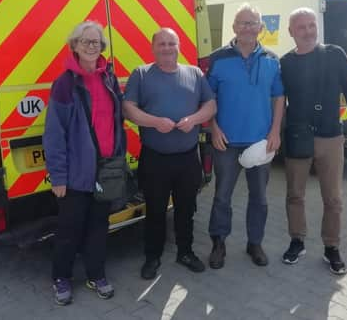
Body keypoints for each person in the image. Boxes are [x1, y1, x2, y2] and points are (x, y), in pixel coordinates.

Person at [123, 28, 217, 280]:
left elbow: (210, 105)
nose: (166, 48)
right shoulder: (141, 74)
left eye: (171, 43)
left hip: (187, 158)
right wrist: (154, 122)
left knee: (187, 208)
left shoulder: (194, 74)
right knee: (154, 210)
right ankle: (152, 257)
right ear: (153, 47)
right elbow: (128, 108)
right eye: (161, 44)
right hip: (155, 158)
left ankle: (185, 252)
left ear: (178, 46)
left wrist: (194, 118)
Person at [43, 21, 125, 305]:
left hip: (105, 170)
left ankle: (96, 274)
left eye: (96, 42)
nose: (92, 47)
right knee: (69, 230)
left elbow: (117, 122)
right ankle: (61, 278)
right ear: (75, 46)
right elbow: (54, 135)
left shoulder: (109, 79)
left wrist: (118, 157)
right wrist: (58, 177)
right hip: (76, 175)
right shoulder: (65, 83)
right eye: (86, 41)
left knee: (98, 228)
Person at [280, 7, 347, 274]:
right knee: (295, 195)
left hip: (331, 136)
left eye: (311, 25)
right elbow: (277, 102)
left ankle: (331, 248)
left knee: (333, 198)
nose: (307, 31)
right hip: (297, 137)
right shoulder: (285, 63)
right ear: (291, 32)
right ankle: (297, 241)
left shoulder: (334, 54)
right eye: (301, 27)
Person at [207, 3, 285, 268]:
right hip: (225, 141)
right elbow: (208, 98)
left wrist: (275, 131)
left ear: (261, 28)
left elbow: (278, 97)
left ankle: (255, 243)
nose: (247, 28)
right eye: (242, 23)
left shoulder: (272, 60)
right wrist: (213, 128)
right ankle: (218, 243)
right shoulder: (217, 59)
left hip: (260, 142)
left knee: (259, 198)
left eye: (252, 23)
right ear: (233, 27)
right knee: (222, 196)